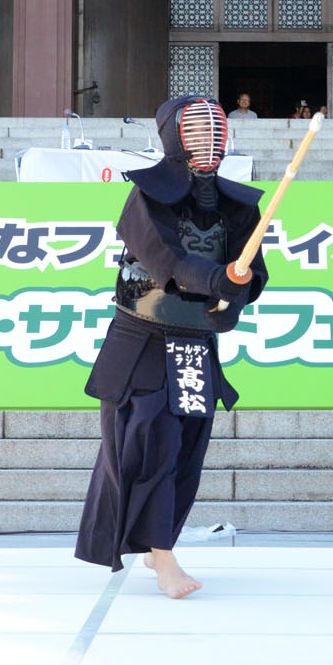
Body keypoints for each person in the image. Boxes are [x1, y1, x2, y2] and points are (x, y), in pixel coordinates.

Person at [75, 95, 268, 598]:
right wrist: (220, 278)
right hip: (142, 342)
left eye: (214, 131)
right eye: (196, 131)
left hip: (194, 344)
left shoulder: (240, 205)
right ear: (172, 136)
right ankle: (163, 559)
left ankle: (159, 544)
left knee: (186, 450)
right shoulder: (145, 198)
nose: (208, 140)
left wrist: (238, 291)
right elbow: (170, 263)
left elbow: (253, 275)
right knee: (149, 444)